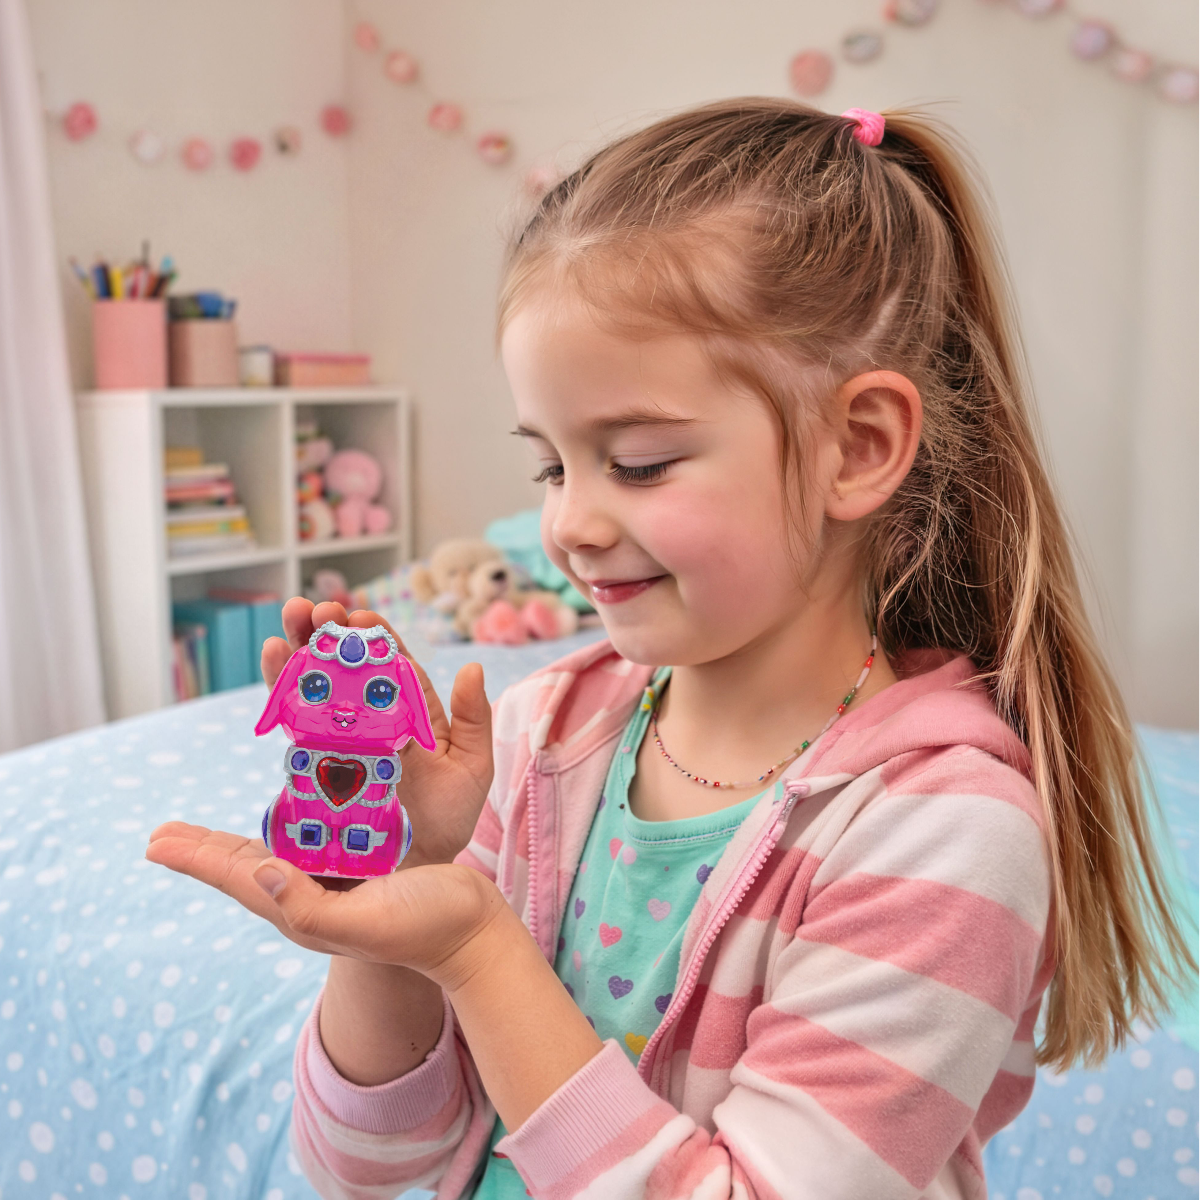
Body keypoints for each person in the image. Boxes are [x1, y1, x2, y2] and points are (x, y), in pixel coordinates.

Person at [146, 100, 1196, 1199]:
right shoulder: (541, 732)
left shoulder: (946, 835)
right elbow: (368, 1166)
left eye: (638, 463)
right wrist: (395, 890)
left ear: (861, 448)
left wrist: (475, 949)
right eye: (552, 466)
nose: (572, 525)